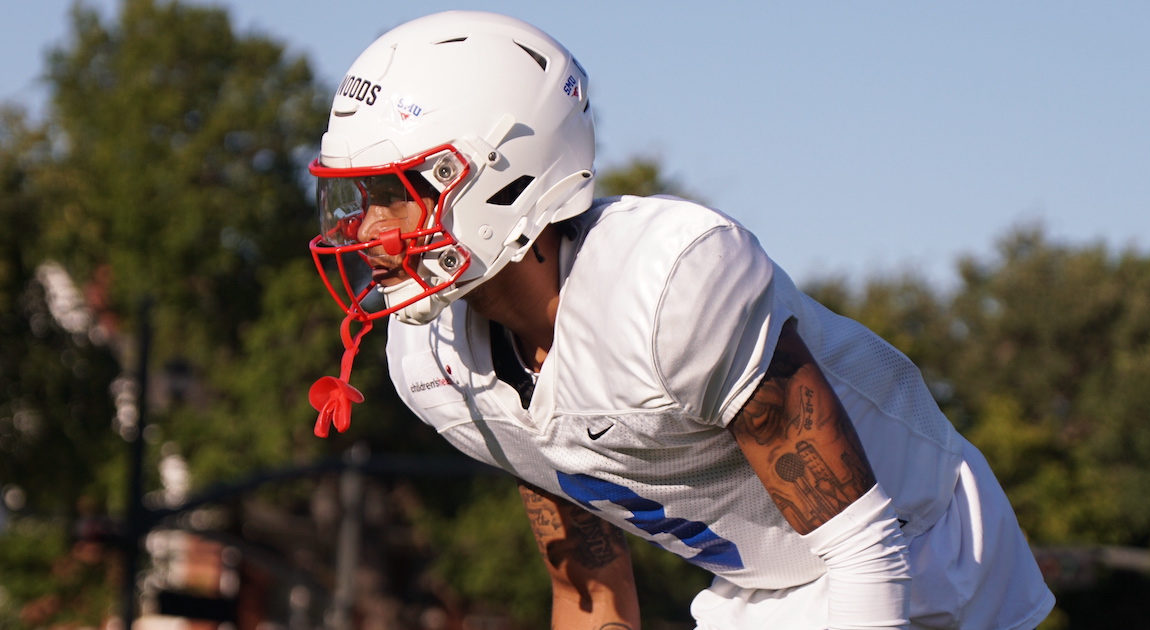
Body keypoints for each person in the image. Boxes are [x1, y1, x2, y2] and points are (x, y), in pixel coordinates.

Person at [305, 10, 1055, 629]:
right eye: (354, 197)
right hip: (760, 595)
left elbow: (865, 554)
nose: (364, 231)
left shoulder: (668, 290)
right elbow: (589, 593)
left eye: (391, 193)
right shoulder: (431, 362)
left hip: (925, 556)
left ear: (502, 178)